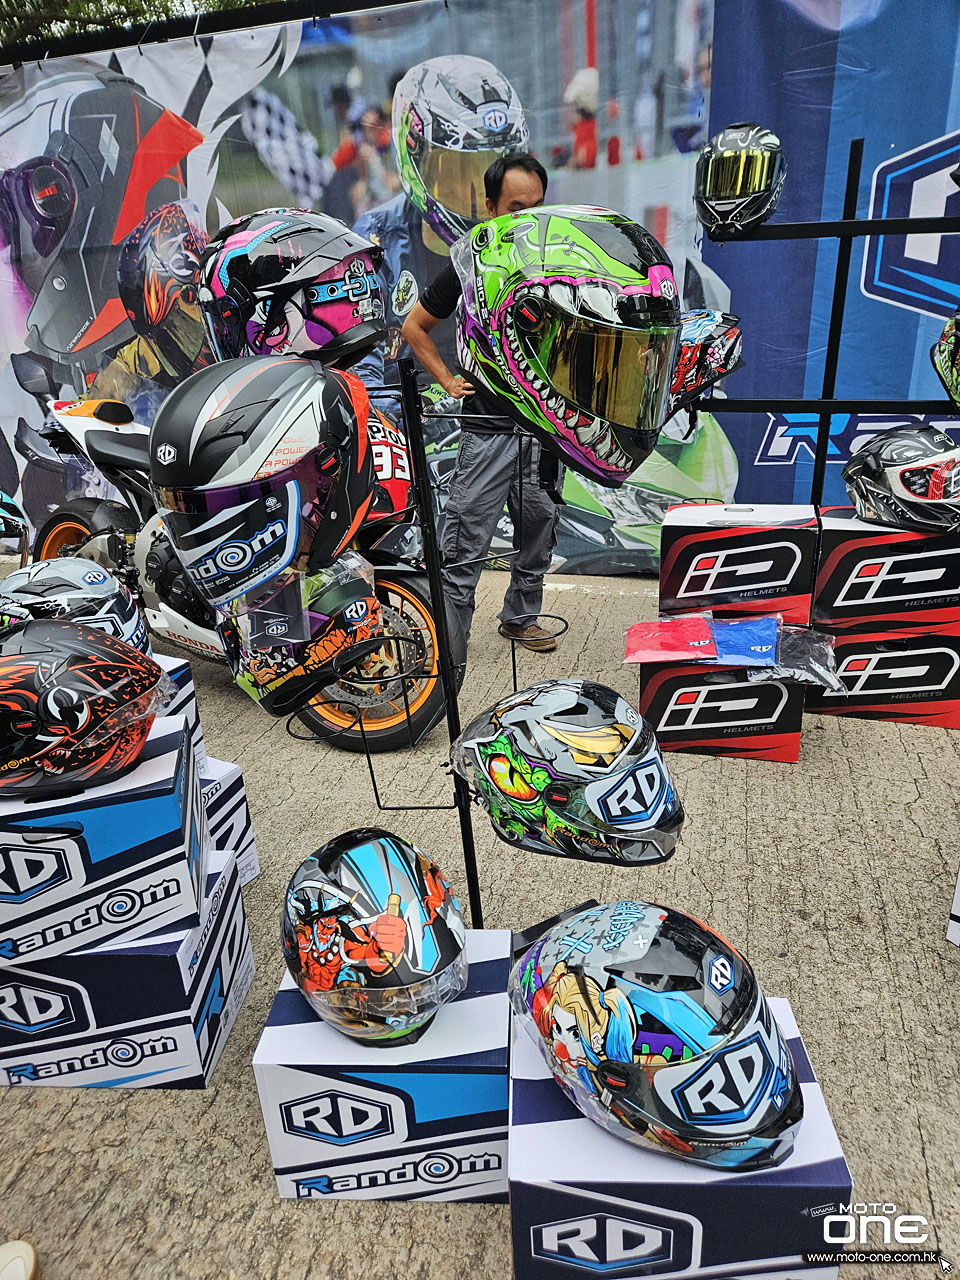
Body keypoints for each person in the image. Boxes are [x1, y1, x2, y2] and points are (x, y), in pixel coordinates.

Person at [401, 153, 561, 653]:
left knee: (540, 528)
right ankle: (451, 640)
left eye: (537, 206)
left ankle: (521, 618)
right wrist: (447, 380)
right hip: (488, 431)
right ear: (490, 208)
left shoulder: (562, 261)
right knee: (464, 540)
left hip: (545, 431)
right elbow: (414, 326)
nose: (529, 217)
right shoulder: (468, 263)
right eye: (516, 208)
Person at [353, 55, 528, 417]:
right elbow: (359, 368)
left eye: (494, 169)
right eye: (460, 170)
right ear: (416, 156)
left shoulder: (526, 238)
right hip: (410, 433)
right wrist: (408, 417)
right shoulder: (375, 241)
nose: (481, 192)